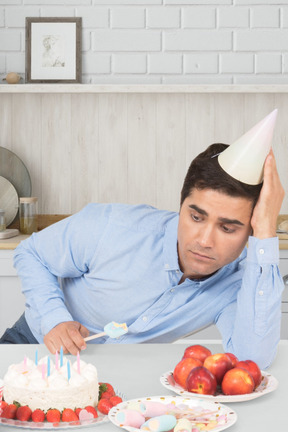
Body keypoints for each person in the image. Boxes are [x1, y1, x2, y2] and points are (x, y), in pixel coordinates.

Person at [0, 111, 285, 370]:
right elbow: (31, 253)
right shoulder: (113, 226)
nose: (205, 241)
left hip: (119, 381)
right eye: (196, 217)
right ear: (182, 204)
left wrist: (266, 233)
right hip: (32, 349)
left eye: (228, 228)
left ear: (250, 229)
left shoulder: (239, 283)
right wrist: (55, 319)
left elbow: (252, 360)